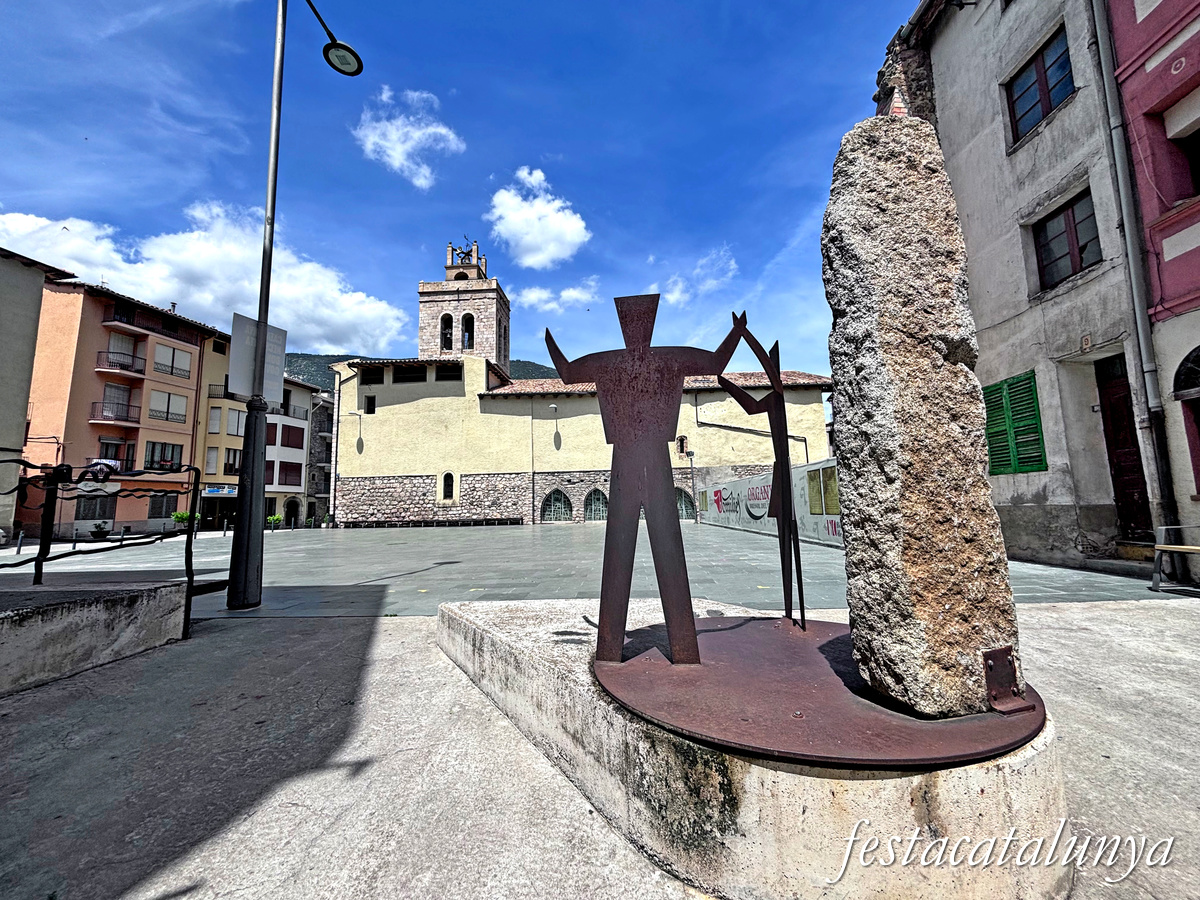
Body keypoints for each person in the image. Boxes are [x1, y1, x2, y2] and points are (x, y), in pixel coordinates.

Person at [546, 295, 744, 664]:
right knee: (657, 550)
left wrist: (550, 343)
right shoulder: (668, 357)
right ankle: (679, 650)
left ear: (625, 323)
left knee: (628, 551)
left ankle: (614, 648)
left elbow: (568, 372)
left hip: (633, 457)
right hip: (649, 456)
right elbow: (717, 362)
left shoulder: (611, 361)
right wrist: (737, 332)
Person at [717, 324, 807, 629]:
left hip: (784, 468)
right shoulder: (771, 400)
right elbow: (750, 406)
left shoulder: (778, 393)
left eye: (771, 369)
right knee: (784, 530)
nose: (769, 373)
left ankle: (796, 610)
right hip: (779, 468)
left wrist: (743, 333)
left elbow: (764, 363)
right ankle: (790, 608)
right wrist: (726, 383)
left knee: (789, 531)